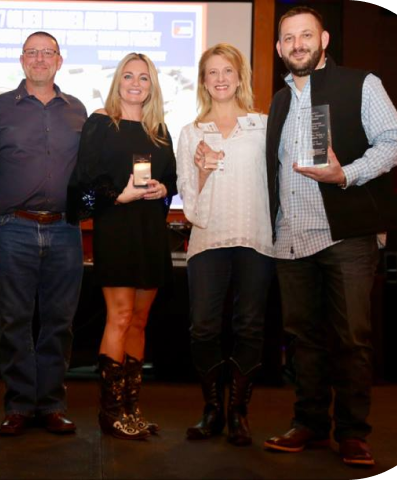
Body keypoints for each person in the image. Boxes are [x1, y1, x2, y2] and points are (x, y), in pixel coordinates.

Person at [262, 7, 397, 468]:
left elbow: (394, 141)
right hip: (291, 237)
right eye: (289, 38)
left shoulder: (361, 83)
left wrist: (347, 175)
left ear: (323, 39)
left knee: (352, 339)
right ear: (279, 48)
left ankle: (352, 433)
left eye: (306, 35)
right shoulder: (278, 101)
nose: (297, 44)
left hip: (346, 234)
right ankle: (309, 423)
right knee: (303, 340)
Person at [0, 31, 87, 436]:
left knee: (59, 322)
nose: (39, 59)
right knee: (15, 322)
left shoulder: (78, 110)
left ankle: (51, 405)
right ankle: (19, 405)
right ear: (22, 60)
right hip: (12, 227)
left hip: (65, 230)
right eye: (32, 53)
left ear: (59, 60)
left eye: (47, 52)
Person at [67, 53, 177, 440]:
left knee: (140, 320)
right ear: (117, 82)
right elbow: (83, 184)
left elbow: (172, 180)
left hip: (151, 233)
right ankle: (110, 411)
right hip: (116, 230)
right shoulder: (100, 123)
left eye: (143, 78)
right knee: (120, 315)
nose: (135, 83)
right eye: (128, 76)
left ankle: (131, 407)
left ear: (152, 86)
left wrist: (164, 189)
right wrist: (120, 196)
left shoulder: (159, 128)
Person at [176, 43, 275, 446]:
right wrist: (200, 171)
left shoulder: (263, 126)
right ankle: (213, 408)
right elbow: (190, 204)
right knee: (203, 327)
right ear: (203, 81)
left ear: (239, 77)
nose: (220, 78)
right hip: (208, 238)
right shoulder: (191, 133)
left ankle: (239, 412)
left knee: (250, 327)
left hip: (256, 236)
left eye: (227, 71)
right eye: (212, 72)